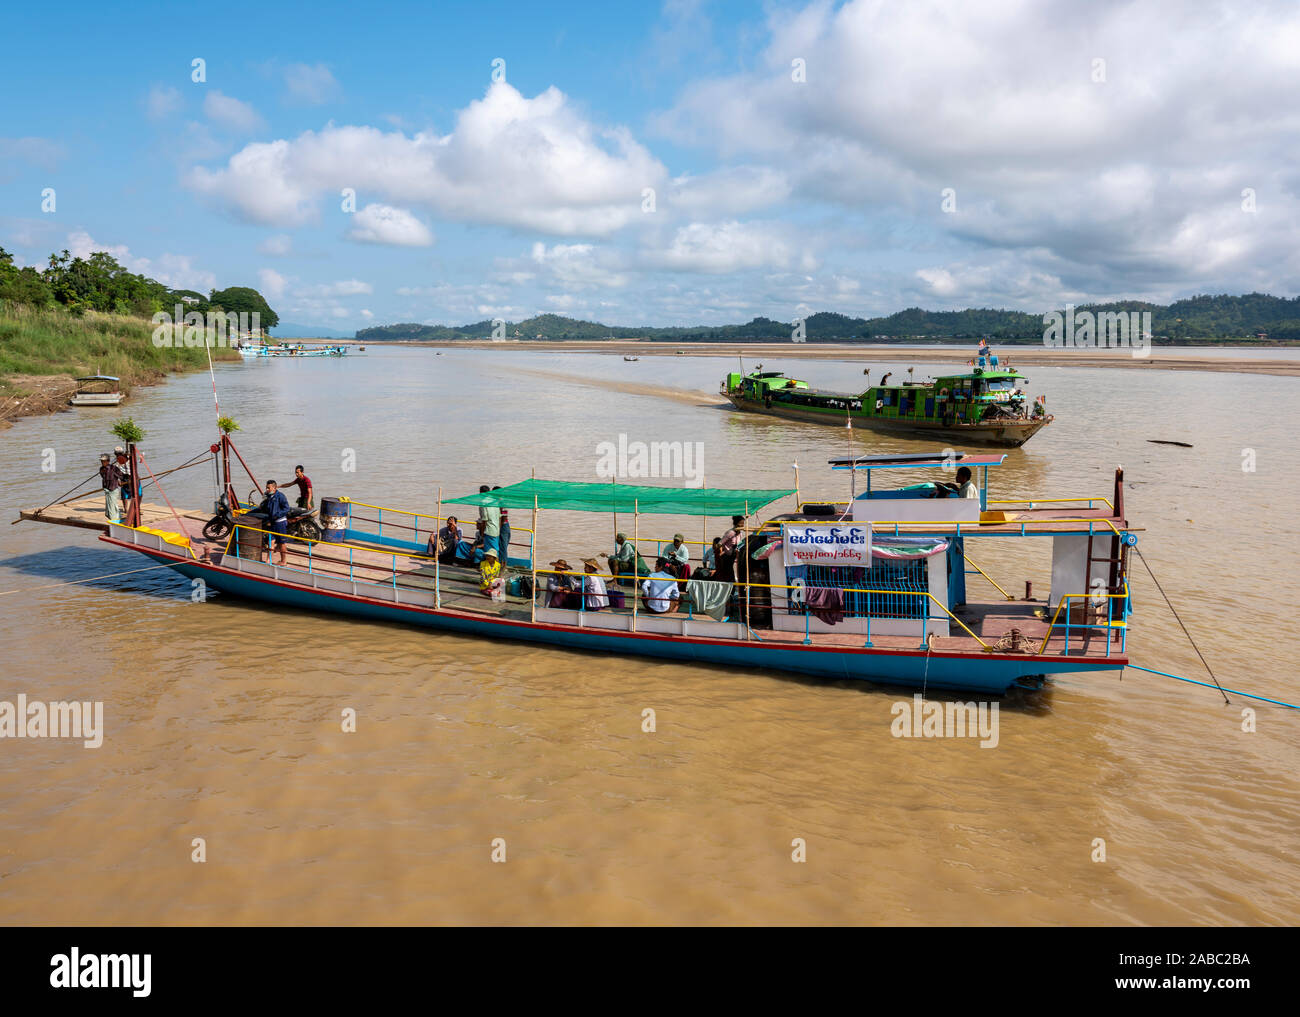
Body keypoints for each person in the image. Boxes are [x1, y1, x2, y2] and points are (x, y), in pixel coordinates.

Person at [261, 479, 291, 566]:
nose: (267, 489)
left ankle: (283, 561)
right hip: (272, 522)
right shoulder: (268, 496)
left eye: (268, 488)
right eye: (266, 488)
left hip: (280, 522)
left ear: (274, 488)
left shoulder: (280, 496)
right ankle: (268, 559)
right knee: (271, 541)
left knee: (281, 543)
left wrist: (277, 515)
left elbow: (286, 508)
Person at [476, 484, 501, 562]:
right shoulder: (495, 501)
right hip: (496, 530)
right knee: (495, 550)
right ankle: (493, 567)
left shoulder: (483, 503)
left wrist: (482, 532)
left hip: (489, 530)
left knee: (490, 552)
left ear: (481, 493)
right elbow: (499, 517)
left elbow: (485, 520)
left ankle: (493, 568)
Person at [98, 453, 122, 523]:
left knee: (112, 508)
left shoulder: (114, 468)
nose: (102, 462)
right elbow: (104, 478)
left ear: (108, 461)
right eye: (101, 461)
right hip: (107, 490)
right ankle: (116, 519)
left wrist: (119, 480)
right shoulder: (101, 469)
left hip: (113, 490)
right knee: (108, 510)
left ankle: (115, 521)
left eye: (104, 461)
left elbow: (121, 476)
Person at [492, 485, 511, 565]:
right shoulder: (497, 502)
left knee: (503, 547)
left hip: (503, 526)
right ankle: (499, 564)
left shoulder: (501, 502)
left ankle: (503, 566)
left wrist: (498, 528)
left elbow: (503, 518)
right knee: (500, 547)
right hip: (500, 525)